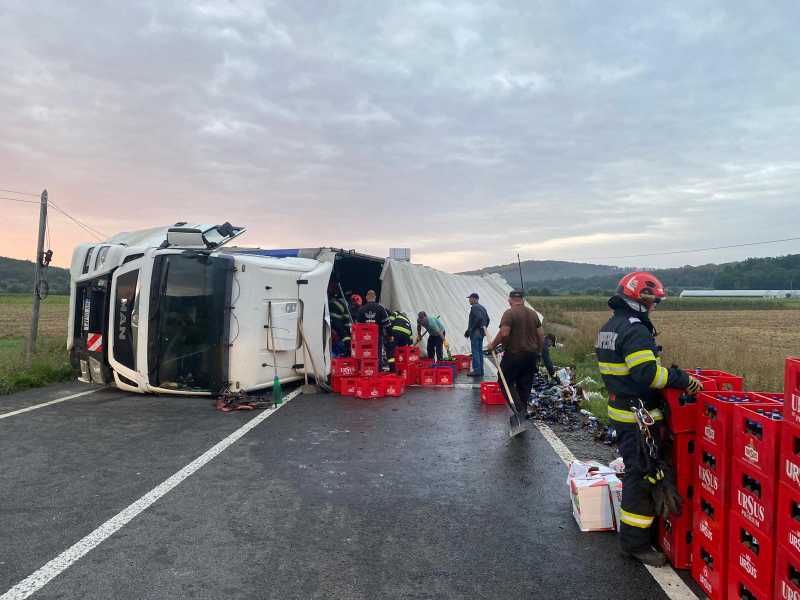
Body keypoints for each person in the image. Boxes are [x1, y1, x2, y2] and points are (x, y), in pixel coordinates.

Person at [595, 271, 703, 567]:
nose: (655, 306)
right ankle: (634, 544)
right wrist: (681, 378)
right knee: (642, 476)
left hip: (623, 410)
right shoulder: (635, 330)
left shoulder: (610, 326)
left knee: (639, 472)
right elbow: (648, 374)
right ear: (640, 299)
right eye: (653, 301)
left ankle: (638, 536)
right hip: (637, 416)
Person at [486, 289, 544, 415]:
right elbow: (541, 335)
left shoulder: (509, 313)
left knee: (504, 381)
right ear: (523, 300)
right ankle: (522, 412)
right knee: (524, 385)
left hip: (515, 354)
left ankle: (518, 409)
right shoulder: (533, 314)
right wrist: (538, 352)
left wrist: (495, 345)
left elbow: (504, 333)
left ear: (509, 300)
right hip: (531, 356)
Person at [357, 290, 390, 366]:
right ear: (375, 297)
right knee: (377, 353)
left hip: (364, 337)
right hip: (377, 336)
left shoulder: (361, 309)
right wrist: (390, 335)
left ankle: (365, 367)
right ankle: (378, 368)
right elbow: (387, 324)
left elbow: (358, 325)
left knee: (365, 352)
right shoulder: (380, 308)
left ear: (366, 298)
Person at [464, 292, 490, 377]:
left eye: (470, 299)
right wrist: (484, 328)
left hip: (475, 333)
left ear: (475, 299)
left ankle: (476, 371)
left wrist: (470, 329)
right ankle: (480, 370)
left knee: (475, 352)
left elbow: (479, 318)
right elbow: (488, 319)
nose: (469, 300)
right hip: (481, 333)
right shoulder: (483, 308)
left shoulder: (474, 307)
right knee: (479, 352)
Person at [328, 284, 352, 357]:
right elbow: (347, 322)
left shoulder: (330, 302)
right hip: (338, 330)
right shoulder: (343, 304)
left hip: (331, 328)